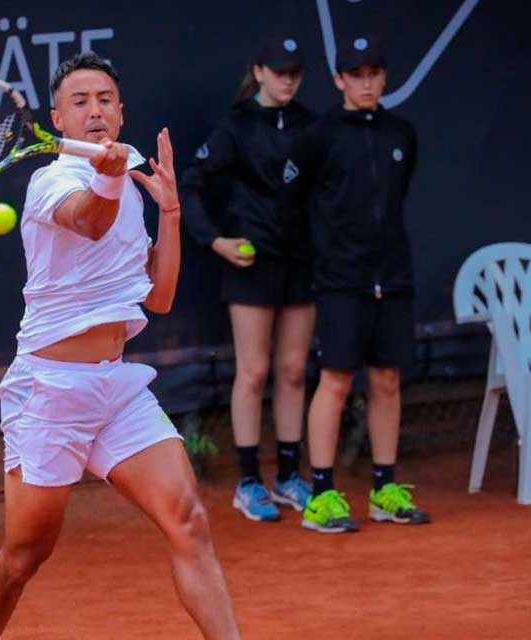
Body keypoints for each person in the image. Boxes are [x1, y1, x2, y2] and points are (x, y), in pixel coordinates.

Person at [0, 53, 241, 640]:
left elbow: (161, 297)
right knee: (25, 556)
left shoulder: (132, 192)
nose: (95, 111)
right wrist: (112, 177)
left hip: (116, 389)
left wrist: (169, 209)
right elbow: (90, 220)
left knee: (188, 520)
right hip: (51, 393)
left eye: (105, 100)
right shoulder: (52, 182)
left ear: (121, 113)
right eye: (80, 102)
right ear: (57, 120)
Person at [284, 36, 432, 534]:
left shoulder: (401, 134)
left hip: (392, 276)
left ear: (384, 78)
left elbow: (398, 195)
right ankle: (322, 493)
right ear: (339, 80)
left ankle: (385, 490)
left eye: (374, 73)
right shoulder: (319, 137)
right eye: (356, 74)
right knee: (338, 381)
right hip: (340, 279)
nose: (366, 83)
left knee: (387, 380)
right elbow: (296, 198)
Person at [179, 37, 317, 522]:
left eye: (295, 72)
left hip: (301, 265)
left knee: (294, 371)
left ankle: (287, 477)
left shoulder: (311, 126)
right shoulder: (235, 127)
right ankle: (248, 482)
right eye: (279, 71)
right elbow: (190, 184)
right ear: (258, 71)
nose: (288, 80)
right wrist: (215, 241)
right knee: (254, 372)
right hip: (249, 265)